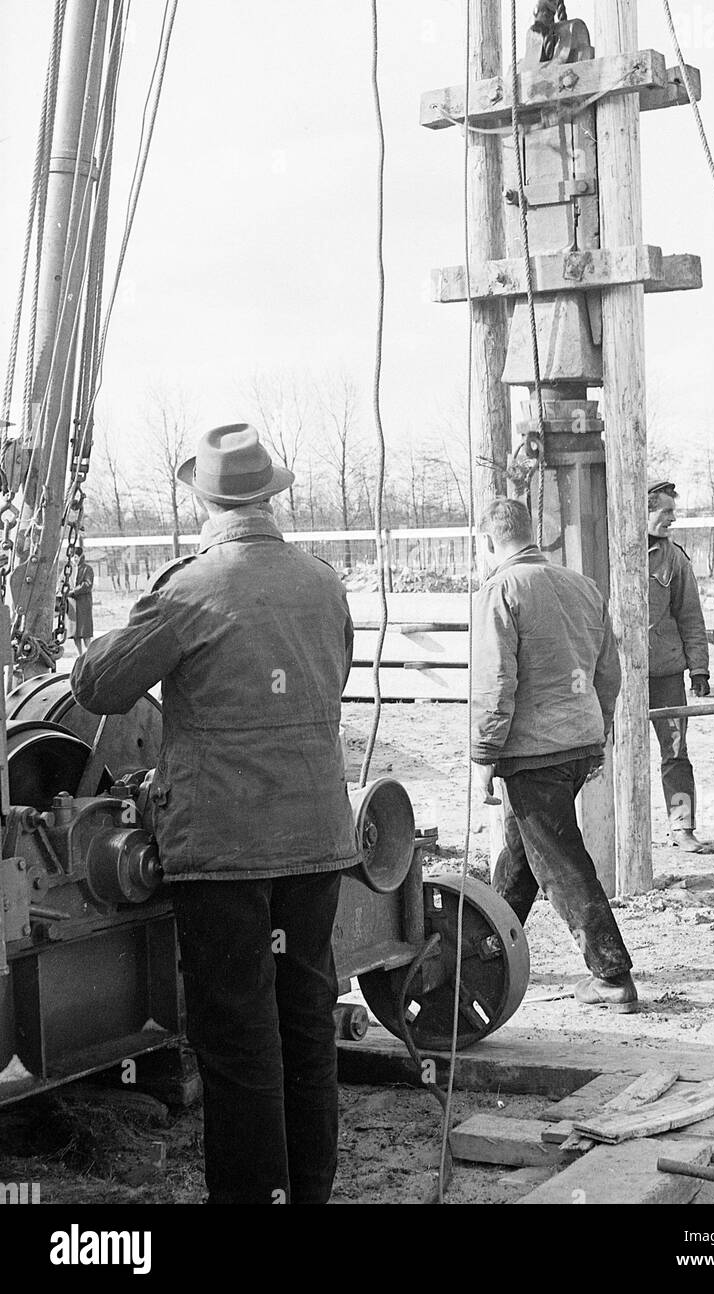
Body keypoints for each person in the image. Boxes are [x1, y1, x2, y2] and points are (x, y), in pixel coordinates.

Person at [71, 423, 360, 1205]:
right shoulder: (322, 580)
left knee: (237, 1038)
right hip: (316, 838)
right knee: (304, 1019)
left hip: (225, 848)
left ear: (201, 496)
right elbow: (328, 677)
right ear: (271, 493)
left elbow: (100, 690)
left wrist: (97, 634)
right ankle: (307, 1194)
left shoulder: (189, 587)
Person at [470, 497, 638, 1013]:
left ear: (488, 543)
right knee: (524, 854)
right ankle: (484, 953)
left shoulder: (500, 590)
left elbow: (496, 681)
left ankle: (612, 974)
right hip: (578, 744)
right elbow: (609, 674)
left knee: (560, 861)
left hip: (533, 752)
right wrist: (597, 734)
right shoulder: (583, 587)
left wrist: (483, 754)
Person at [647, 481, 714, 854]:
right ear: (642, 510)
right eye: (666, 513)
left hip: (665, 675)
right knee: (596, 753)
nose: (672, 520)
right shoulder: (606, 548)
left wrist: (699, 670)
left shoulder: (674, 558)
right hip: (614, 676)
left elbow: (690, 616)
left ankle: (682, 827)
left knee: (675, 753)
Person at [67, 542, 94, 656]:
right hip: (72, 604)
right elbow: (61, 582)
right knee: (75, 632)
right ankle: (80, 654)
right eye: (73, 557)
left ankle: (89, 653)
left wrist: (74, 591)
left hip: (83, 603)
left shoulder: (87, 569)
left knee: (85, 631)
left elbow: (88, 584)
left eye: (76, 557)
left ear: (81, 557)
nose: (74, 559)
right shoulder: (68, 569)